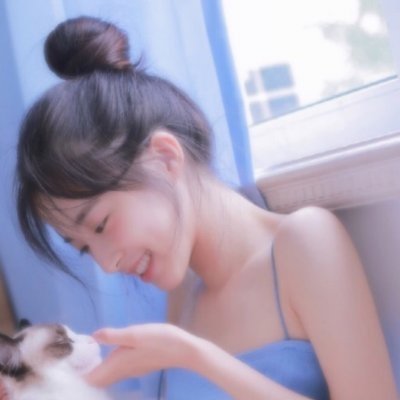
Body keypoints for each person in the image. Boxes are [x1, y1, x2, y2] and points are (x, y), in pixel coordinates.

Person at [9, 16, 397, 400]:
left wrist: (195, 356)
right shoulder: (182, 291)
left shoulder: (303, 242)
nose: (107, 264)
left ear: (164, 157)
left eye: (100, 225)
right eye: (85, 248)